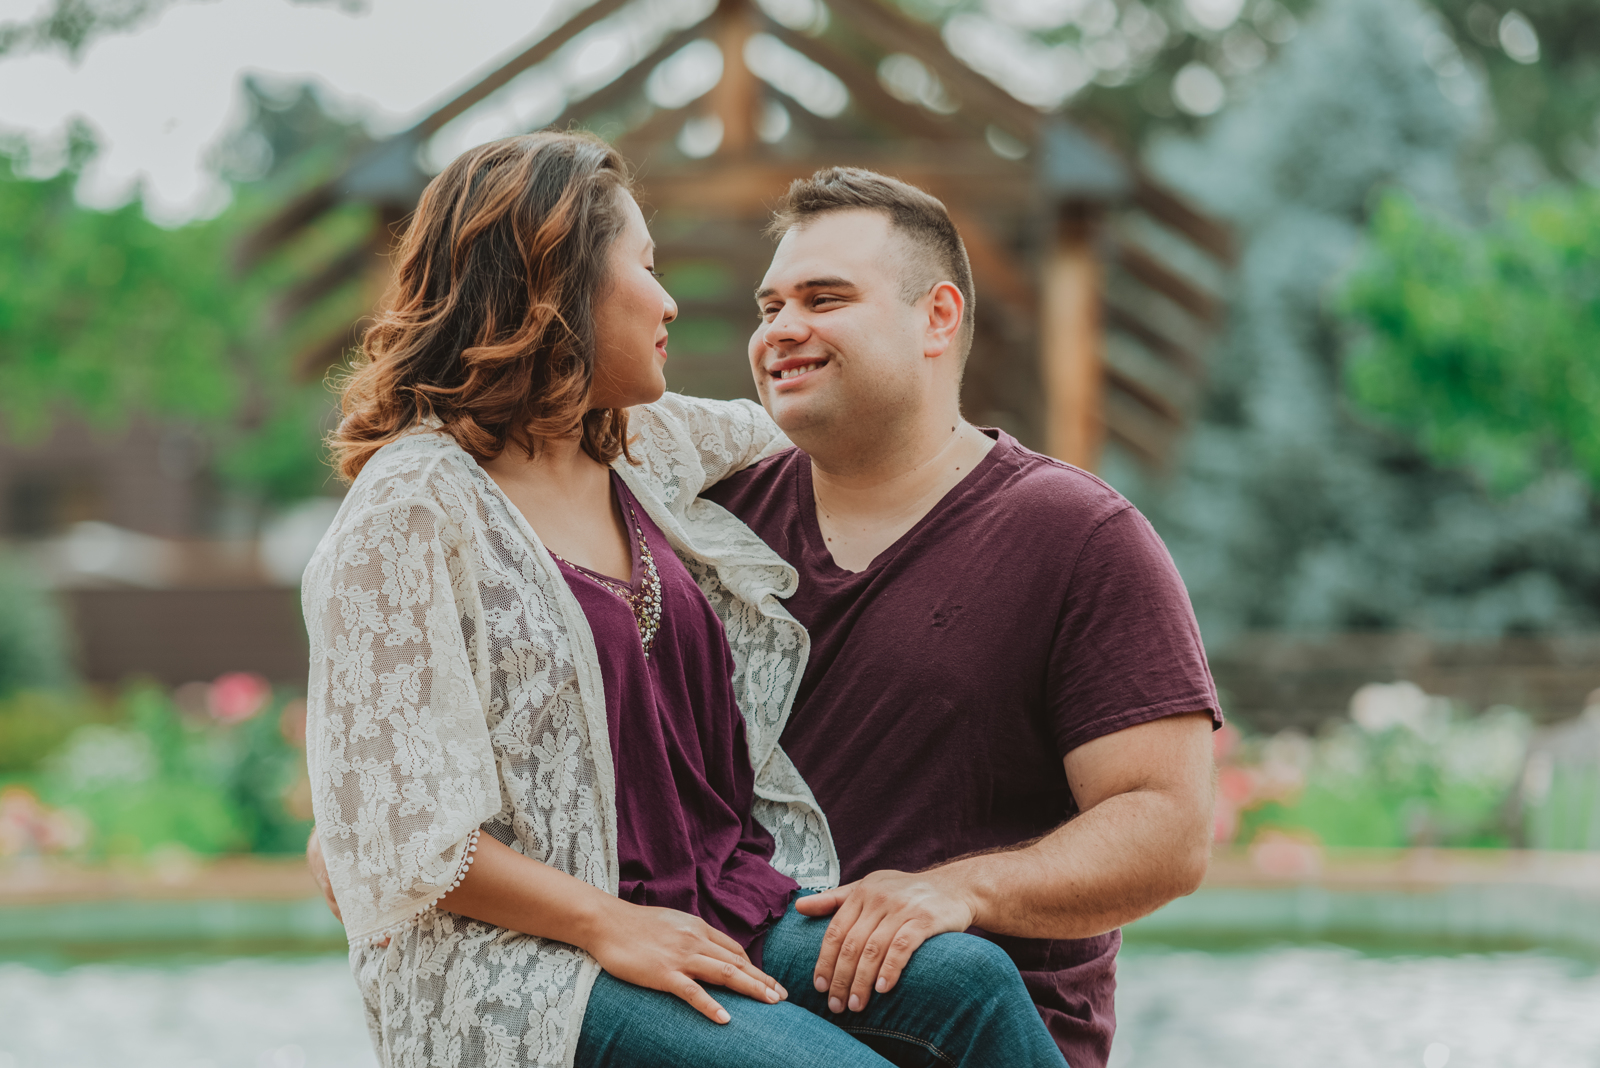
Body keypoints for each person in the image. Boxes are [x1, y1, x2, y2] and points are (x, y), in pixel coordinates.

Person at [301, 132, 1069, 1068]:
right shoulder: (413, 506)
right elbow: (399, 836)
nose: (668, 300)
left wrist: (1028, 500)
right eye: (647, 266)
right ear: (559, 284)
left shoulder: (641, 448)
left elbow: (818, 420)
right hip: (526, 961)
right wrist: (605, 922)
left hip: (716, 898)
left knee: (974, 986)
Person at [694, 168, 1221, 1068]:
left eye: (825, 298)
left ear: (937, 317)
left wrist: (955, 893)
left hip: (977, 1042)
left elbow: (1168, 828)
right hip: (738, 1026)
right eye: (769, 304)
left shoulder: (1081, 537)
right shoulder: (708, 522)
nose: (782, 329)